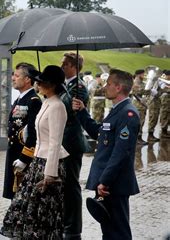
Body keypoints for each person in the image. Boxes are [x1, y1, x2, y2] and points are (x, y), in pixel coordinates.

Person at [1, 65, 69, 239]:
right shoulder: (46, 102)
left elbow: (54, 142)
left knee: (43, 211)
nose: (37, 84)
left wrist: (50, 174)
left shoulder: (57, 106)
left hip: (48, 164)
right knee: (26, 208)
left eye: (41, 82)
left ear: (51, 85)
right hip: (38, 161)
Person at [72, 69, 140, 240]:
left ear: (118, 87)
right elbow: (99, 133)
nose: (105, 87)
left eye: (109, 84)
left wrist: (105, 181)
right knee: (109, 231)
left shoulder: (128, 113)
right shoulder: (117, 110)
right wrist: (82, 111)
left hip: (113, 185)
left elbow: (121, 152)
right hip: (107, 184)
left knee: (118, 231)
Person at [60, 52, 89, 240]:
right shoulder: (67, 85)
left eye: (64, 64)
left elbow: (69, 110)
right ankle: (66, 221)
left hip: (71, 142)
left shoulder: (78, 87)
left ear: (72, 66)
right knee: (65, 185)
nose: (61, 66)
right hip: (64, 141)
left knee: (71, 186)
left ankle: (73, 227)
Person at [2, 62, 42, 200]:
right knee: (15, 195)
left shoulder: (33, 100)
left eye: (17, 75)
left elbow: (33, 132)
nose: (13, 78)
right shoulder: (20, 99)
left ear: (27, 79)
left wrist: (25, 158)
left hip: (22, 154)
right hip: (14, 151)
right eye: (13, 74)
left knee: (23, 194)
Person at [130, 69, 148, 144]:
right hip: (138, 104)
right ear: (138, 75)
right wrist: (149, 91)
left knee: (141, 121)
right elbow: (139, 91)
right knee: (138, 122)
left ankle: (139, 138)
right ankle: (137, 139)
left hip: (141, 104)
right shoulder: (136, 82)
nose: (144, 76)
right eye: (143, 74)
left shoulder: (140, 82)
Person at [146, 67, 162, 142]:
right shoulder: (150, 82)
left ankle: (151, 134)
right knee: (153, 118)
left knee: (155, 118)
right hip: (153, 102)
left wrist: (158, 92)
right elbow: (146, 90)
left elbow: (160, 92)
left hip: (157, 102)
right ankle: (150, 135)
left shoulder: (156, 82)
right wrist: (152, 92)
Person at [159, 70, 170, 138]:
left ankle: (165, 130)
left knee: (168, 114)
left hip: (168, 100)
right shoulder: (163, 81)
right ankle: (163, 131)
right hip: (166, 100)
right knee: (165, 114)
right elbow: (163, 89)